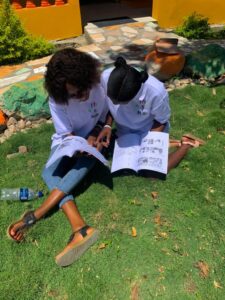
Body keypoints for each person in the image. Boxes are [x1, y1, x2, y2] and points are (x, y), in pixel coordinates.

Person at [7, 48, 109, 267]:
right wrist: (77, 144)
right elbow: (66, 134)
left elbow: (106, 112)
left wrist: (97, 133)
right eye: (74, 94)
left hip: (95, 140)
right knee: (48, 173)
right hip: (69, 141)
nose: (81, 95)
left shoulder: (99, 82)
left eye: (83, 88)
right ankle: (80, 227)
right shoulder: (57, 99)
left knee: (88, 159)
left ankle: (37, 215)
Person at [97, 56, 205, 174]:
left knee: (152, 171)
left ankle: (186, 144)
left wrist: (148, 145)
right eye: (113, 100)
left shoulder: (156, 92)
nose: (114, 104)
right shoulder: (106, 77)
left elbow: (161, 120)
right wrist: (107, 125)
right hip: (125, 131)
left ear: (136, 93)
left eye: (121, 102)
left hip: (151, 130)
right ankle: (171, 143)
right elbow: (108, 106)